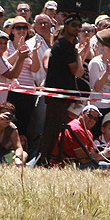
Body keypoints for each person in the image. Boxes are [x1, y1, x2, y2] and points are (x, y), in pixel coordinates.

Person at [36, 15, 85, 166]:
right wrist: (77, 53)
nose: (77, 28)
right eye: (74, 25)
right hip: (58, 94)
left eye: (79, 25)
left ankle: (46, 159)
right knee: (51, 129)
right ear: (66, 26)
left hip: (62, 94)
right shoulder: (65, 45)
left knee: (55, 128)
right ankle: (41, 161)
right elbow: (76, 70)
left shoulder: (64, 44)